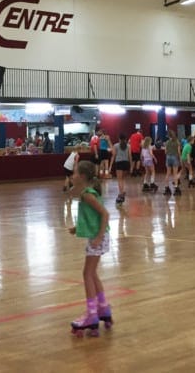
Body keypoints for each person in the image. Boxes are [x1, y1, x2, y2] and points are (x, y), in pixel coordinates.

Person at [67, 160, 112, 337]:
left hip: (98, 238)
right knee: (92, 273)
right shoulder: (86, 193)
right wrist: (78, 229)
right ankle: (103, 308)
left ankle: (92, 314)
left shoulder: (87, 195)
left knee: (87, 274)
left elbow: (104, 214)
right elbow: (92, 217)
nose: (72, 176)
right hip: (98, 236)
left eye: (75, 173)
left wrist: (99, 236)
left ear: (83, 177)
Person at [111, 134, 131, 204]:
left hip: (118, 163)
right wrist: (131, 166)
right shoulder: (128, 146)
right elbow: (130, 156)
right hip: (126, 163)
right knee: (123, 179)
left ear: (119, 139)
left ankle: (121, 193)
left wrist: (110, 166)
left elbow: (113, 156)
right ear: (125, 139)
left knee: (119, 179)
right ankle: (123, 191)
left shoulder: (115, 145)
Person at [164, 130, 182, 196]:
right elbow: (179, 152)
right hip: (174, 157)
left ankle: (166, 188)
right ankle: (176, 188)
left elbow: (165, 152)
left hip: (168, 157)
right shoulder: (177, 142)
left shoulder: (167, 142)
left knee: (168, 173)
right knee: (175, 174)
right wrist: (180, 159)